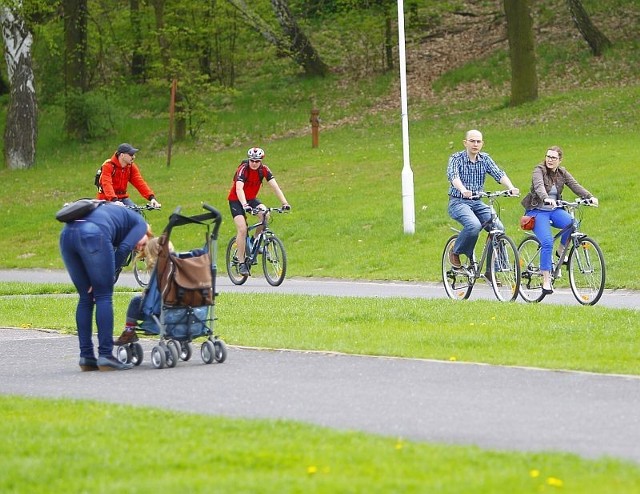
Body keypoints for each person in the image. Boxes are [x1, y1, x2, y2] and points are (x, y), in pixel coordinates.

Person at [59, 202, 150, 371]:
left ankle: (86, 358)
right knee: (103, 295)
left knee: (86, 297)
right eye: (144, 244)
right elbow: (123, 248)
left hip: (66, 235)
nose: (140, 248)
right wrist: (108, 275)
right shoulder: (140, 224)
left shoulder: (116, 214)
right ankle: (106, 356)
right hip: (92, 234)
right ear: (147, 233)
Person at [521, 146, 598, 294]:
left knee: (572, 223)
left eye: (553, 158)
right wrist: (546, 198)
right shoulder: (539, 170)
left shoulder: (562, 172)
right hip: (537, 211)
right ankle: (546, 281)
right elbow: (539, 186)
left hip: (554, 210)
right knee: (547, 242)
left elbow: (575, 185)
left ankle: (561, 251)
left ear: (559, 160)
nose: (550, 160)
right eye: (548, 156)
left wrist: (589, 197)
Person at [447, 129, 519, 269]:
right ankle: (456, 251)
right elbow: (453, 176)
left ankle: (493, 269)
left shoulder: (485, 159)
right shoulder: (456, 159)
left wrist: (511, 187)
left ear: (482, 144)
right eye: (472, 141)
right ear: (465, 143)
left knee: (498, 228)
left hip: (477, 202)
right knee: (474, 225)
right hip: (458, 202)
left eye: (478, 141)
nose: (475, 144)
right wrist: (463, 190)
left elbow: (498, 173)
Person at [227, 147, 290, 276]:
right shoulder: (243, 170)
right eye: (252, 161)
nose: (254, 163)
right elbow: (239, 189)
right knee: (243, 229)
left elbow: (275, 187)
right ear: (249, 160)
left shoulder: (264, 170)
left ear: (261, 160)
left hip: (250, 199)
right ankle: (241, 262)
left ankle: (254, 241)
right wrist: (244, 205)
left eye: (257, 161)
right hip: (236, 200)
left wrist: (285, 203)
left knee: (265, 214)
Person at [114, 237, 173, 345]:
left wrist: (145, 293)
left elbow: (153, 292)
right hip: (177, 303)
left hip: (159, 304)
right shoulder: (176, 265)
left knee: (136, 301)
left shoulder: (159, 270)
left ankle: (129, 331)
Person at [96, 143, 162, 208]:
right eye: (131, 155)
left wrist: (151, 198)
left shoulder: (130, 167)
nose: (133, 157)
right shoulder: (108, 166)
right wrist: (114, 200)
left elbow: (140, 183)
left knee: (136, 214)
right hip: (106, 199)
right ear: (122, 155)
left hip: (122, 198)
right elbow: (106, 184)